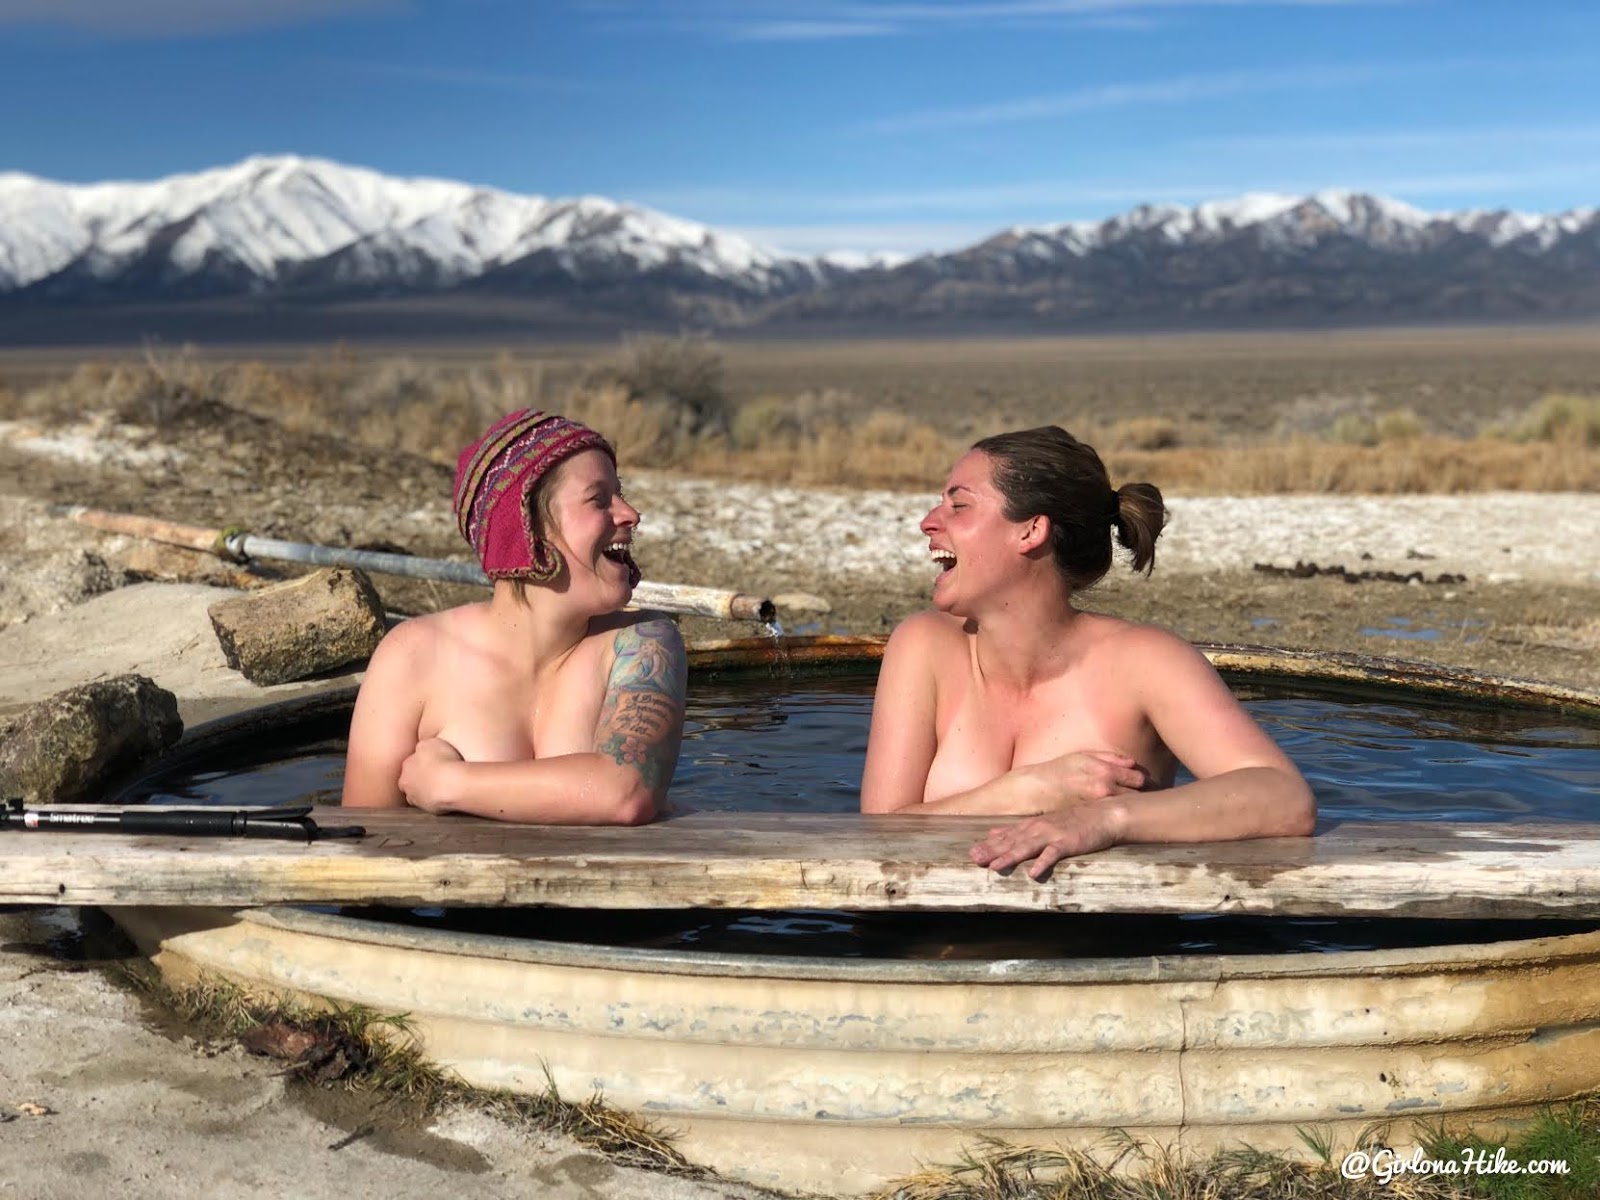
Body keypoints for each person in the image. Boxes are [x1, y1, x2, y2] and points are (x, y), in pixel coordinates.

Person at [859, 426, 1314, 877]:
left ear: (1031, 530)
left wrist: (1105, 821)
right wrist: (1023, 792)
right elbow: (877, 831)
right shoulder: (923, 646)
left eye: (959, 505)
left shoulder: (1145, 661)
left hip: (1104, 946)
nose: (928, 521)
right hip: (924, 941)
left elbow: (1284, 798)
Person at [341, 409, 685, 824]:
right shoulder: (413, 656)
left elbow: (625, 792)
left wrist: (448, 783)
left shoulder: (642, 641)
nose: (630, 513)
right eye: (599, 499)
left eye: (620, 493)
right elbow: (361, 840)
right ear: (527, 530)